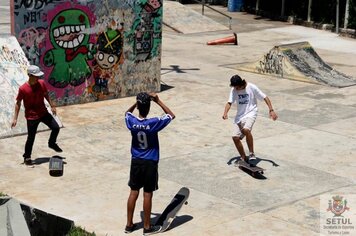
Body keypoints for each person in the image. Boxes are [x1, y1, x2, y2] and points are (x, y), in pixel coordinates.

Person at [124, 92, 175, 235]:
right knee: (147, 194)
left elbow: (127, 113)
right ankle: (147, 227)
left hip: (136, 161)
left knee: (133, 192)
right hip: (150, 162)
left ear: (139, 107)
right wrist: (158, 101)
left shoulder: (132, 122)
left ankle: (129, 225)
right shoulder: (153, 123)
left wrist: (136, 102)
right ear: (148, 108)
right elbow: (171, 115)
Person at [11, 65, 62, 166]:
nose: (38, 78)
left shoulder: (41, 83)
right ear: (30, 75)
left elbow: (46, 94)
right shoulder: (23, 89)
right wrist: (15, 118)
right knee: (31, 138)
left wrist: (52, 105)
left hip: (43, 113)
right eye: (35, 76)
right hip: (31, 117)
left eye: (38, 76)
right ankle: (27, 157)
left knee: (56, 127)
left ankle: (52, 143)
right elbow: (18, 103)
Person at [222, 74, 278, 163]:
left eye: (237, 87)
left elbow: (265, 97)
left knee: (246, 130)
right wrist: (225, 112)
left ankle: (251, 153)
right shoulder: (233, 90)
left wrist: (271, 110)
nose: (235, 89)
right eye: (234, 87)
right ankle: (244, 157)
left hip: (251, 113)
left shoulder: (251, 87)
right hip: (239, 116)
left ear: (241, 84)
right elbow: (229, 102)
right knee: (235, 137)